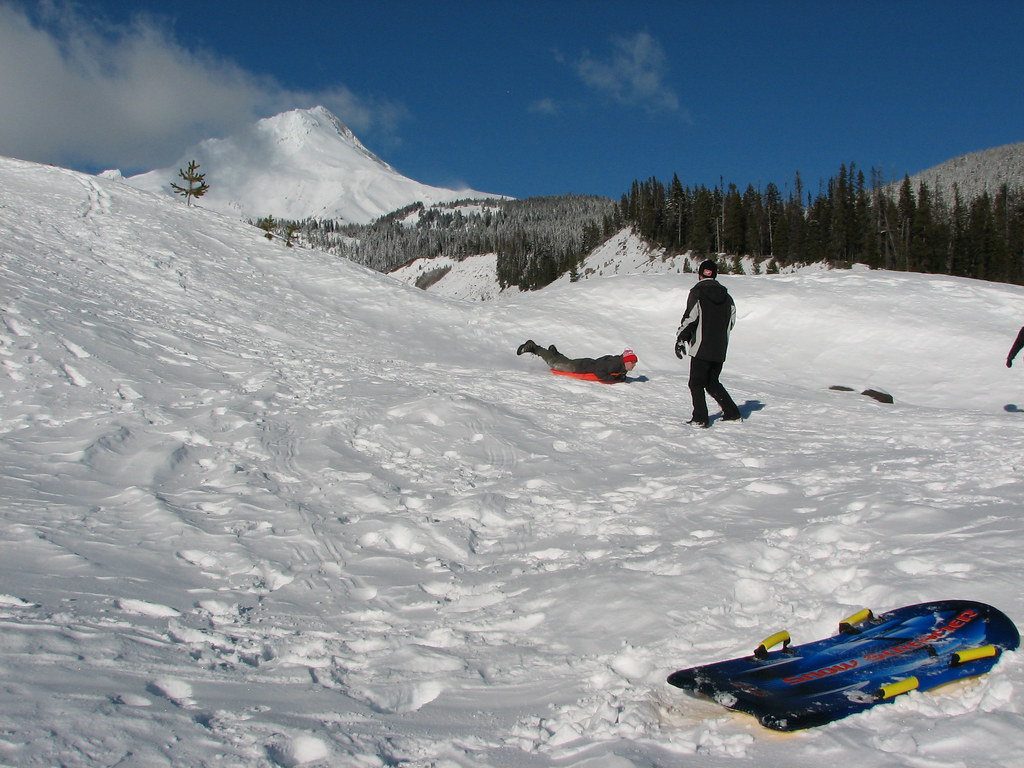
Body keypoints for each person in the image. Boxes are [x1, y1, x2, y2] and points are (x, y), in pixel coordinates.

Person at [675, 259, 742, 427]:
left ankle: (700, 418)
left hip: (701, 347)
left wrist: (681, 338)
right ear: (715, 275)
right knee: (712, 382)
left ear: (699, 275)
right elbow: (731, 322)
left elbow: (690, 318)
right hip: (720, 348)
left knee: (696, 383)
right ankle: (732, 413)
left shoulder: (697, 292)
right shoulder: (727, 297)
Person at [517, 340, 638, 383]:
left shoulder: (620, 363)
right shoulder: (615, 364)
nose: (634, 365)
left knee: (565, 361)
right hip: (580, 368)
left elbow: (618, 373)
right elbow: (599, 371)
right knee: (555, 364)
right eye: (632, 362)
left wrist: (621, 377)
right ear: (626, 361)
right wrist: (614, 379)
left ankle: (555, 353)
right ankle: (534, 347)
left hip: (585, 363)